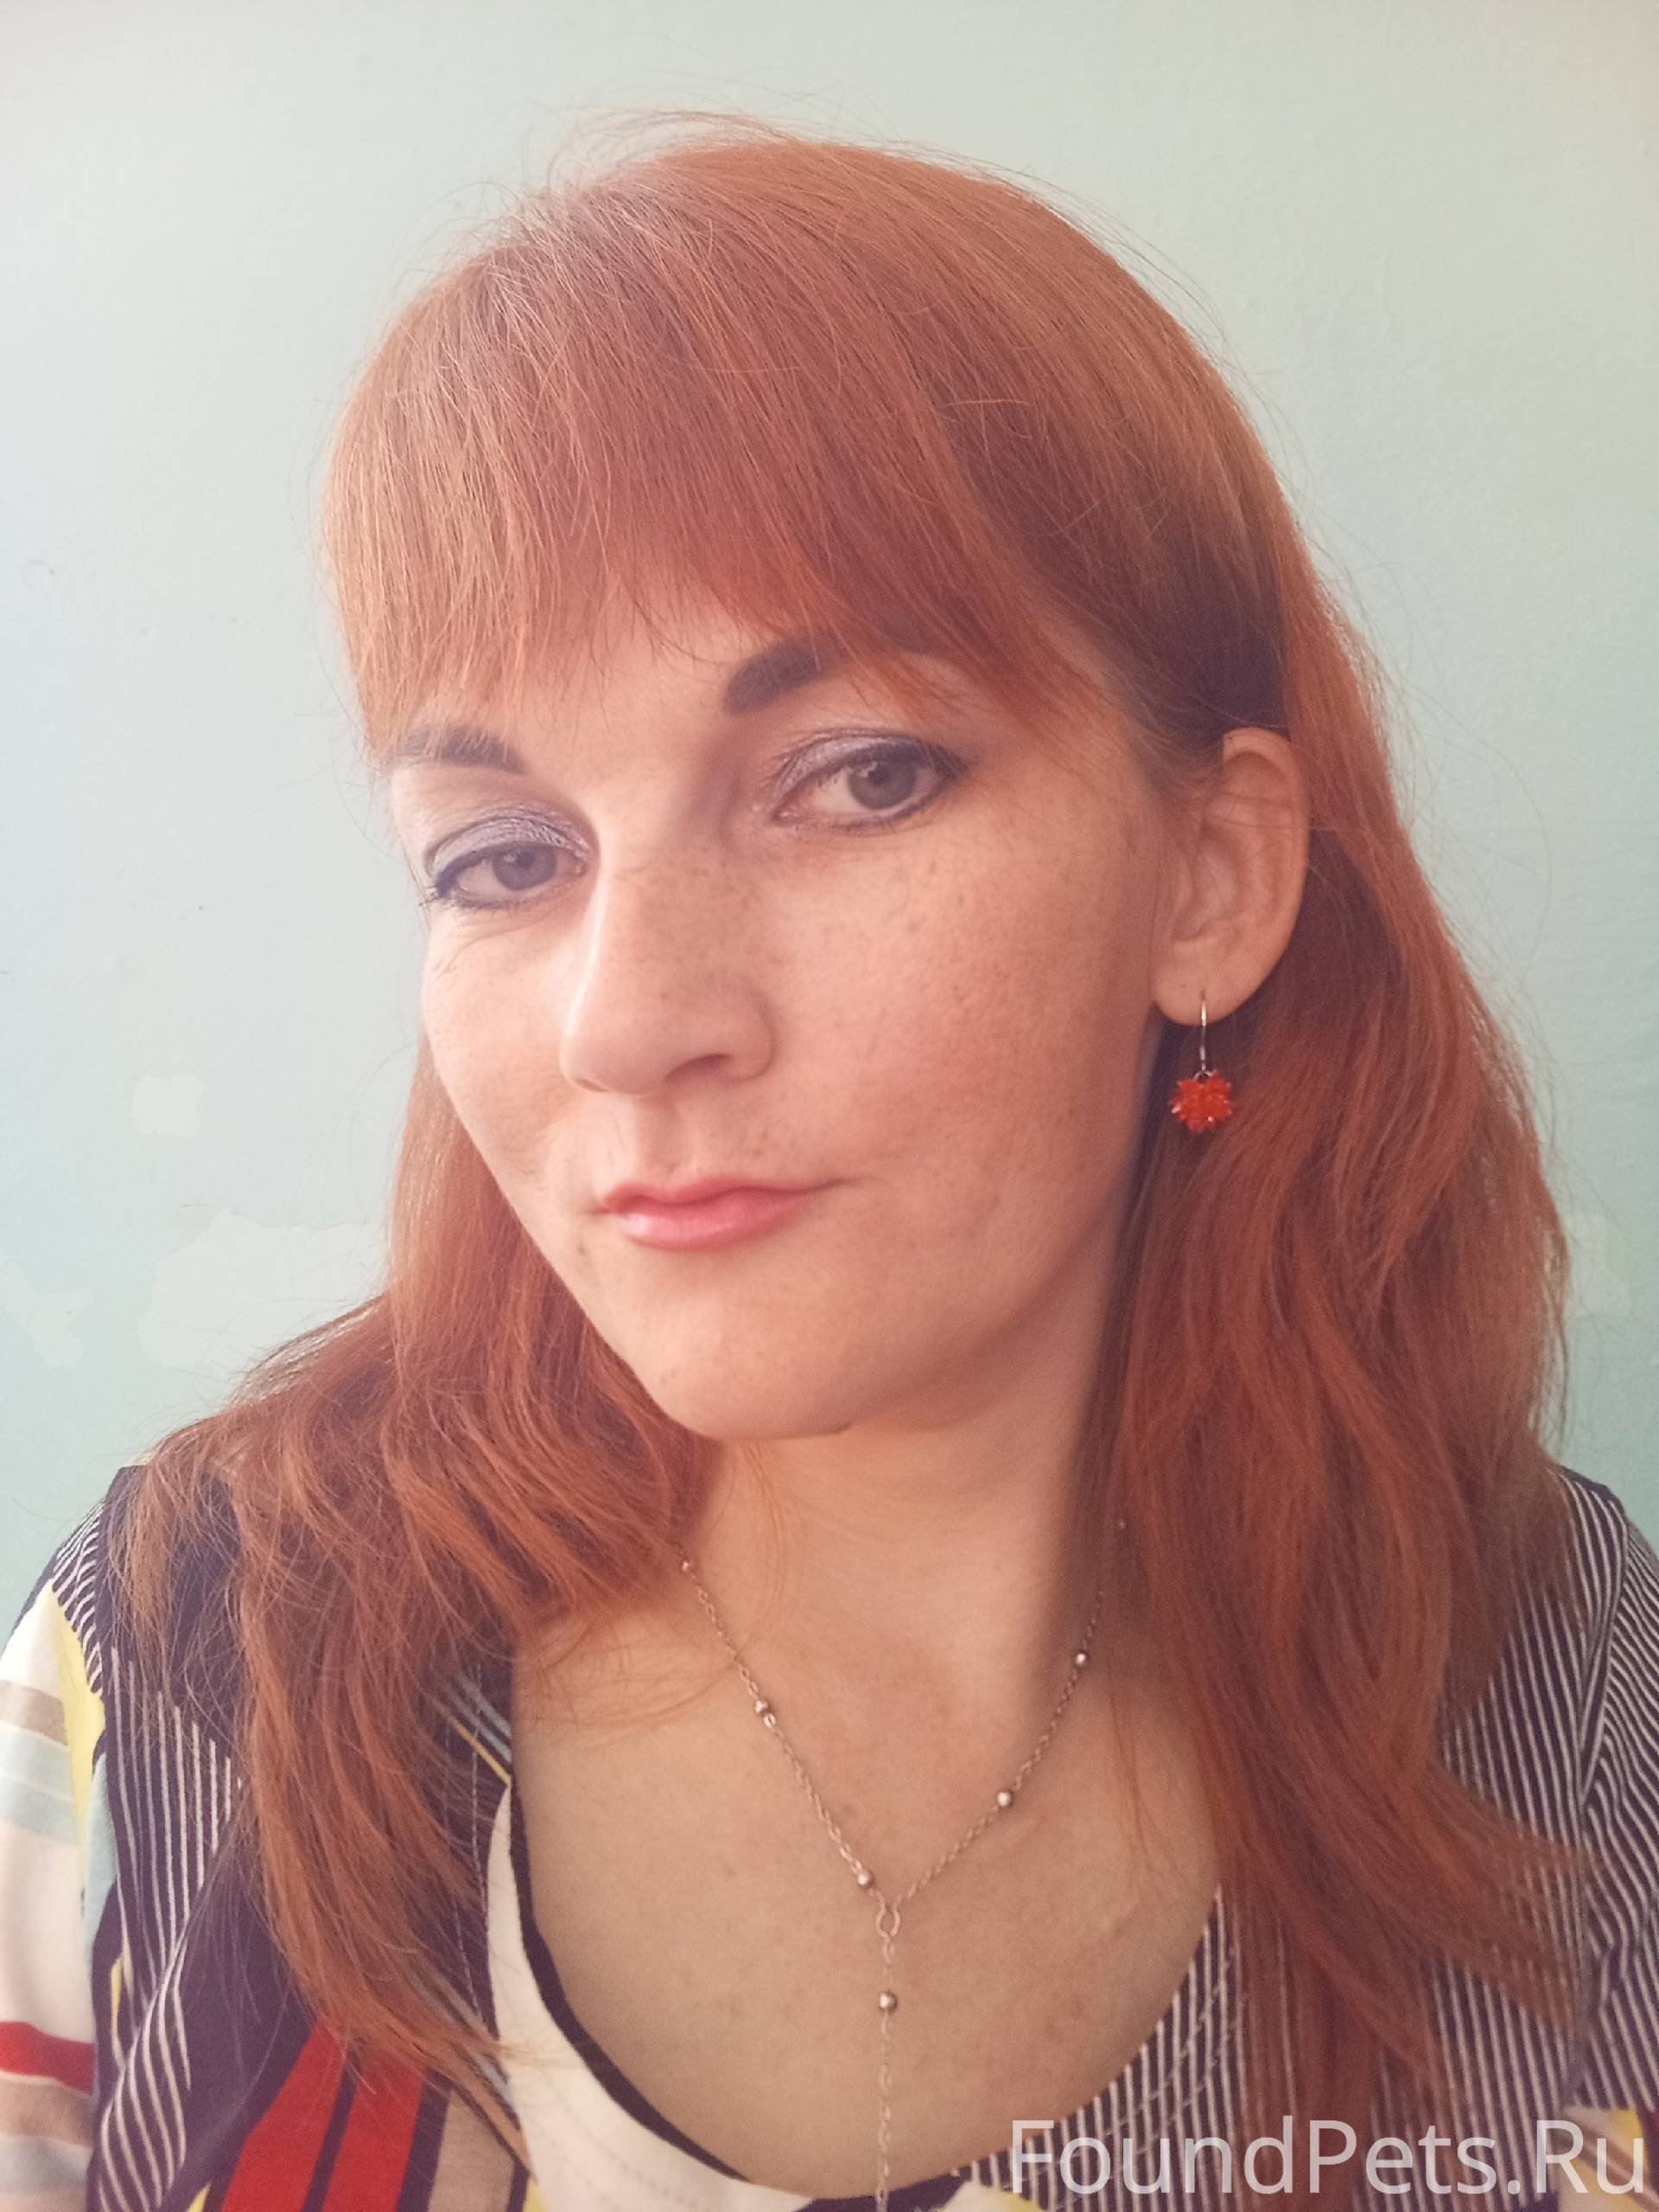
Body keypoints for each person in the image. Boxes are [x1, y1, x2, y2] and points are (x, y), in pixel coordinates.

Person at [3, 111, 1656, 2212]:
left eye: (857, 776)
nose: (624, 1020)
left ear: (1210, 879)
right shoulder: (172, 1674)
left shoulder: (1581, 1745)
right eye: (502, 856)